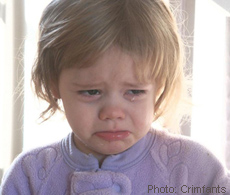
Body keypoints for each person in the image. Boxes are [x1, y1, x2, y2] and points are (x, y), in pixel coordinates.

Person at [1, 0, 230, 194]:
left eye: (134, 91)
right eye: (91, 91)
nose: (112, 112)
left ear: (159, 86)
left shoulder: (196, 168)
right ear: (54, 85)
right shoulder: (29, 175)